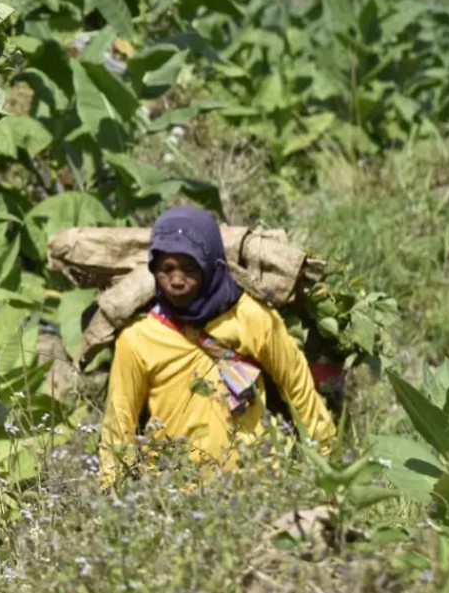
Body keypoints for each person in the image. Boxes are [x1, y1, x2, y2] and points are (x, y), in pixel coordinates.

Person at [98, 206, 336, 485]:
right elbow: (119, 421)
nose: (176, 280)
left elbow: (299, 390)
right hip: (174, 492)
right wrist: (111, 489)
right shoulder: (138, 338)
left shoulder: (253, 318)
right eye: (167, 269)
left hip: (256, 484)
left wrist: (328, 465)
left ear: (212, 265)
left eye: (189, 269)